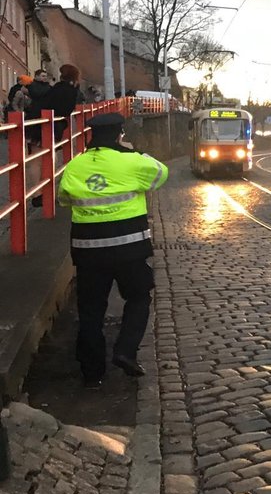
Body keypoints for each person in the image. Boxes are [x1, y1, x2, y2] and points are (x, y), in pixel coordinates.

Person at [57, 112, 168, 388]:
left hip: (88, 251)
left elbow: (64, 200)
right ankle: (125, 350)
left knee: (91, 309)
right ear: (120, 134)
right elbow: (161, 174)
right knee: (139, 298)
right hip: (129, 248)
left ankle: (92, 373)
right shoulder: (132, 161)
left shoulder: (75, 166)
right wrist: (136, 152)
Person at [46, 64, 81, 141]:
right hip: (62, 119)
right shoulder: (74, 88)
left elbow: (49, 102)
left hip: (52, 119)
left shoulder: (59, 87)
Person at [24, 70, 52, 146]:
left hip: (45, 110)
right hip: (35, 110)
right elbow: (36, 94)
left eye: (45, 76)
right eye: (43, 76)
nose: (45, 78)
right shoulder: (33, 85)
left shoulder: (48, 86)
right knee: (34, 129)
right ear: (36, 76)